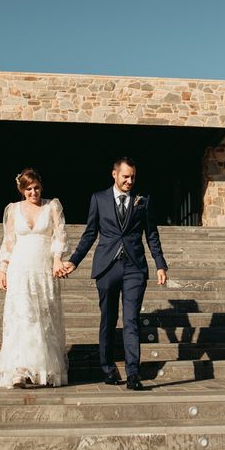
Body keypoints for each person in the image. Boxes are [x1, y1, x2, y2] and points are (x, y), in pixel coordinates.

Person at [63, 157, 168, 390]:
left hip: (134, 268)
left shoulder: (144, 200)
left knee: (131, 319)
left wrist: (160, 264)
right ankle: (108, 368)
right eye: (125, 177)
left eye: (133, 177)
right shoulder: (98, 199)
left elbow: (152, 235)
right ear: (114, 174)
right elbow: (90, 234)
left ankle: (133, 374)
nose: (130, 181)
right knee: (108, 320)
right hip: (107, 267)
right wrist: (74, 261)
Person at [0, 168, 69, 389]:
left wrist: (57, 259)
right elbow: (8, 241)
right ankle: (19, 370)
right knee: (22, 317)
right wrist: (3, 269)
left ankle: (41, 369)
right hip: (20, 268)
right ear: (22, 190)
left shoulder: (52, 206)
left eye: (36, 188)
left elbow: (60, 234)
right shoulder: (13, 210)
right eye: (28, 189)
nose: (33, 192)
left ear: (41, 186)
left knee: (42, 318)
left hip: (43, 269)